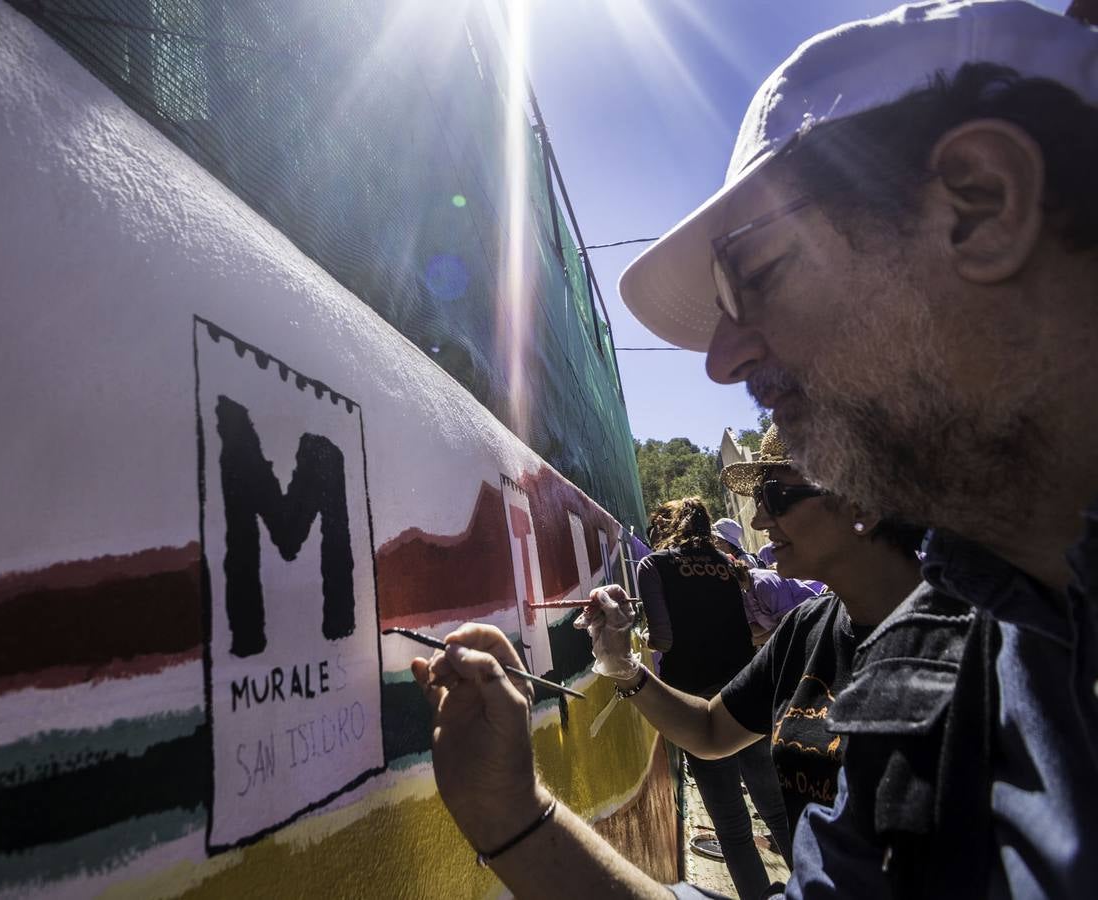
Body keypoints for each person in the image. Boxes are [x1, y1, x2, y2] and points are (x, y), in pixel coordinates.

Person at [411, 3, 1098, 898]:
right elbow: (713, 732)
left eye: (763, 272)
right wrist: (512, 813)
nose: (722, 360)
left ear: (981, 203)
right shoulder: (944, 656)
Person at [577, 425, 922, 864]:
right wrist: (621, 665)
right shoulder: (805, 628)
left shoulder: (979, 647)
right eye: (758, 498)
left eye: (774, 496)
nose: (758, 520)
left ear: (862, 503)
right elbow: (710, 730)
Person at [627, 498, 789, 900]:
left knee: (732, 827)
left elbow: (664, 640)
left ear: (665, 526)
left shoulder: (653, 565)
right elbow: (748, 627)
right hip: (745, 692)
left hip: (695, 702)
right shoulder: (728, 564)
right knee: (777, 811)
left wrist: (638, 638)